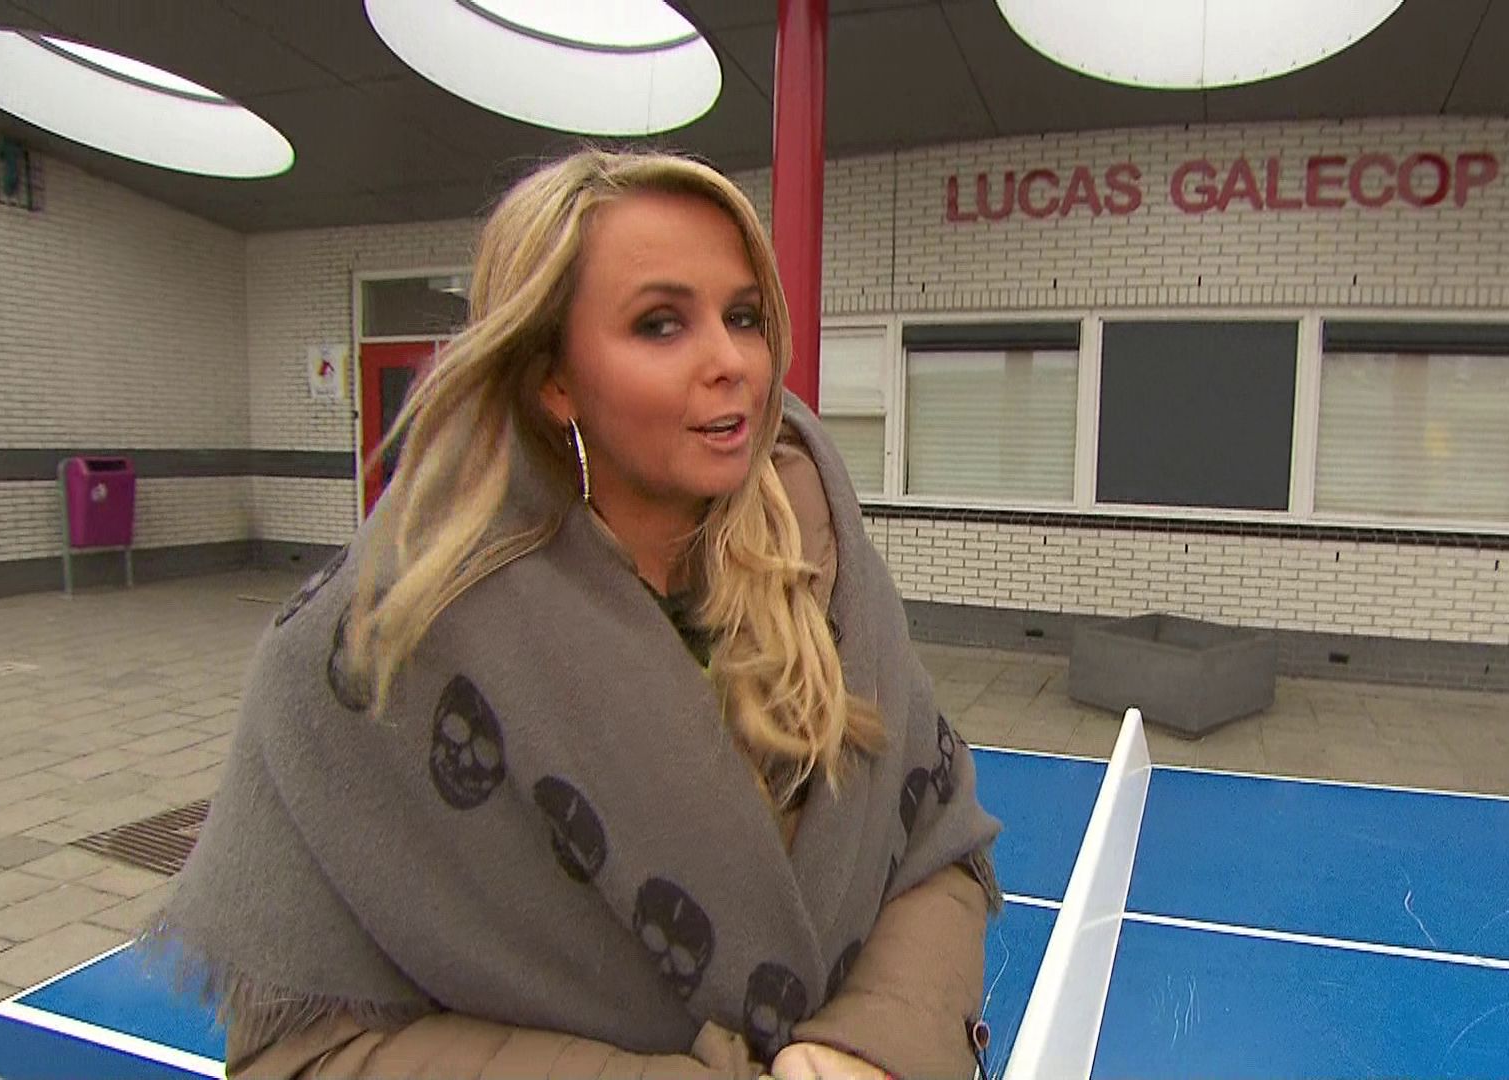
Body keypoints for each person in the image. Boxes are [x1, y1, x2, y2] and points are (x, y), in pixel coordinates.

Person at [154, 149, 1002, 1080]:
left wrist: (875, 1046)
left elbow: (937, 842)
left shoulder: (827, 568)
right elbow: (302, 1054)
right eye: (661, 324)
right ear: (553, 378)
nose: (732, 362)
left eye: (744, 316)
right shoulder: (380, 645)